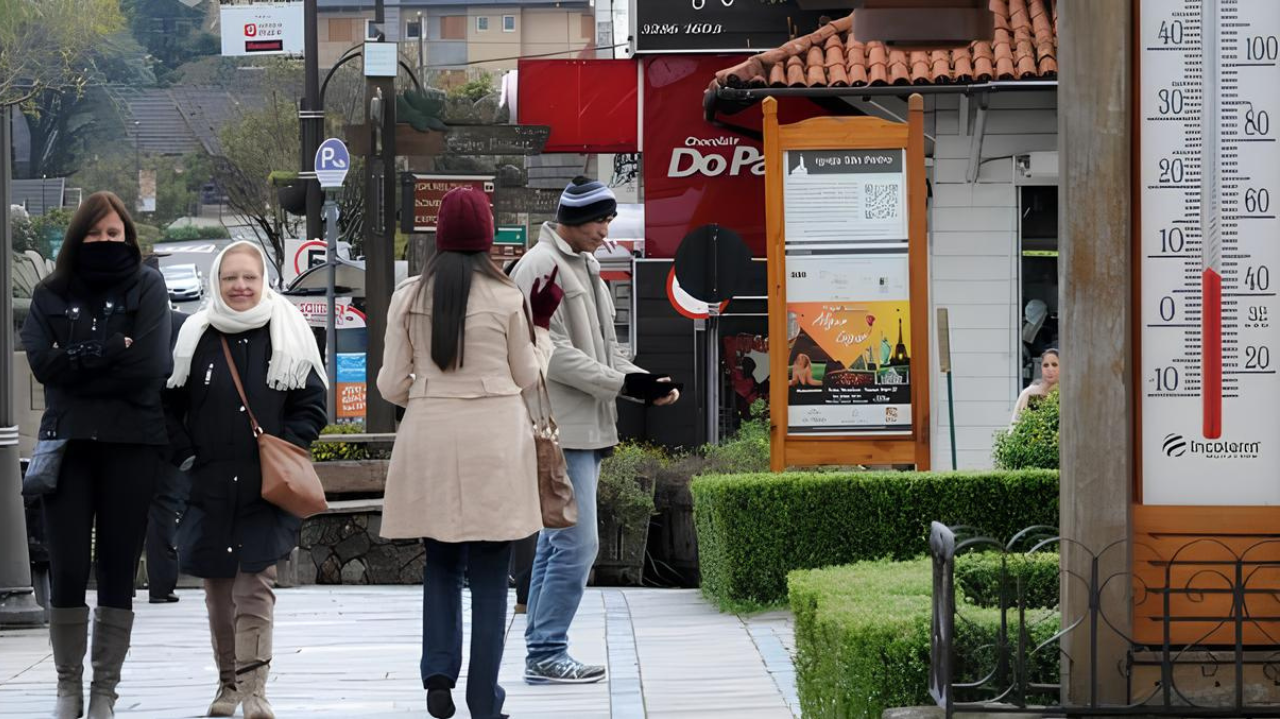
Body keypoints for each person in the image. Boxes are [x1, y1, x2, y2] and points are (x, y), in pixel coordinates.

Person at [377, 187, 562, 719]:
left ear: (438, 238)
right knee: (489, 572)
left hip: (430, 435)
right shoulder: (507, 297)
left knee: (440, 562)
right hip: (496, 440)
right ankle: (484, 695)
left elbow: (391, 385)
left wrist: (432, 394)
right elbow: (528, 376)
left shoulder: (408, 296)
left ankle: (438, 676)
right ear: (487, 237)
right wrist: (542, 329)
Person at [511, 176, 680, 685]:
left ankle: (541, 647)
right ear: (575, 219)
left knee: (557, 541)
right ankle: (545, 652)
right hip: (560, 426)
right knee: (577, 545)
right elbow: (553, 354)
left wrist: (641, 382)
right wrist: (625, 385)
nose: (608, 229)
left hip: (584, 425)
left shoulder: (584, 265)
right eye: (602, 220)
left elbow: (602, 354)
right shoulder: (540, 267)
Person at [21, 191, 173, 719]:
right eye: (95, 234)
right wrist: (111, 349)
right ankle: (69, 688)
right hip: (67, 445)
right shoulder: (50, 292)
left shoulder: (148, 286)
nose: (105, 242)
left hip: (132, 444)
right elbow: (43, 365)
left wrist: (76, 362)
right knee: (65, 567)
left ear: (128, 236)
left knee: (116, 567)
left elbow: (149, 368)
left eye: (114, 234)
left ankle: (105, 690)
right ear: (77, 237)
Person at [164, 241, 327, 719]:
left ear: (263, 281)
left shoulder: (288, 333)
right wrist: (189, 456)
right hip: (210, 487)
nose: (240, 286)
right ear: (216, 281)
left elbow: (312, 404)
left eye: (249, 278)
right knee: (218, 590)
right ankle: (227, 685)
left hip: (264, 486)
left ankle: (255, 691)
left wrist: (287, 446)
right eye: (230, 277)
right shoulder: (195, 336)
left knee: (255, 585)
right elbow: (169, 408)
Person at [145, 309, 191, 605]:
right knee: (164, 509)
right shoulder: (181, 324)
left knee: (125, 513)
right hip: (170, 441)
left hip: (131, 437)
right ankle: (161, 586)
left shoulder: (128, 323)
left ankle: (121, 585)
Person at [1011, 348, 1060, 424]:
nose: (1050, 369)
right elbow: (1015, 423)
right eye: (1045, 365)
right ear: (1041, 368)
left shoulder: (1067, 395)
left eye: (1054, 365)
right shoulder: (1029, 393)